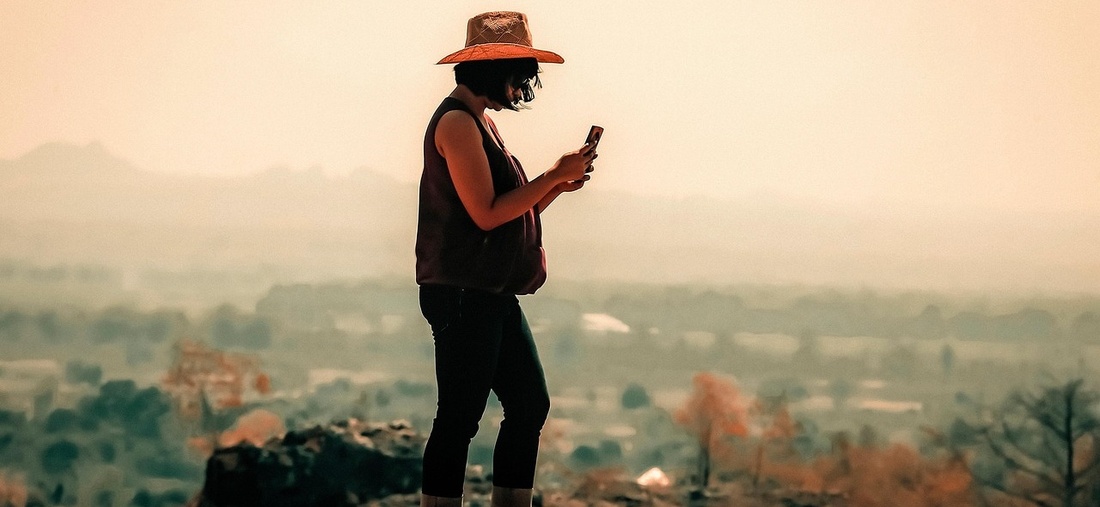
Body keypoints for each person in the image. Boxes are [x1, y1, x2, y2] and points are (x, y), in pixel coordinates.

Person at [414, 11, 597, 507]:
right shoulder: (456, 124)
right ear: (498, 71)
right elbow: (488, 214)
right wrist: (553, 172)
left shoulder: (480, 123)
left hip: (488, 290)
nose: (524, 88)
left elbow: (515, 212)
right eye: (521, 75)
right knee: (458, 418)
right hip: (461, 292)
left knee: (528, 404)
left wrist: (558, 183)